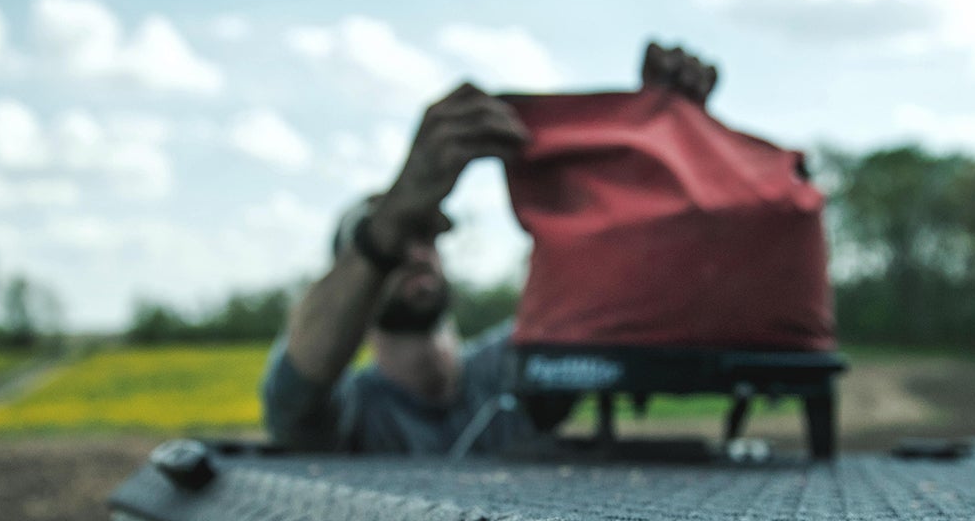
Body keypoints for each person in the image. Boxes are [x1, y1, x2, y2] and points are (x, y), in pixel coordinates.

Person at [260, 41, 720, 455]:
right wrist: (389, 219)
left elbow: (621, 285)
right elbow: (294, 393)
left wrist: (662, 135)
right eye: (395, 240)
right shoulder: (351, 413)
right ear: (349, 279)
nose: (412, 251)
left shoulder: (516, 370)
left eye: (424, 234)